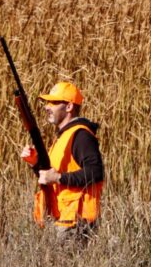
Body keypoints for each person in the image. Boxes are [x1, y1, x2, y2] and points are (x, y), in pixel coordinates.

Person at [20, 81, 104, 243]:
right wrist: (35, 163)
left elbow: (96, 172)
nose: (47, 106)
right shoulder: (63, 137)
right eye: (47, 102)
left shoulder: (80, 135)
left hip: (77, 225)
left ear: (69, 107)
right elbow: (50, 177)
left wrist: (58, 177)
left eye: (54, 102)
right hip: (63, 220)